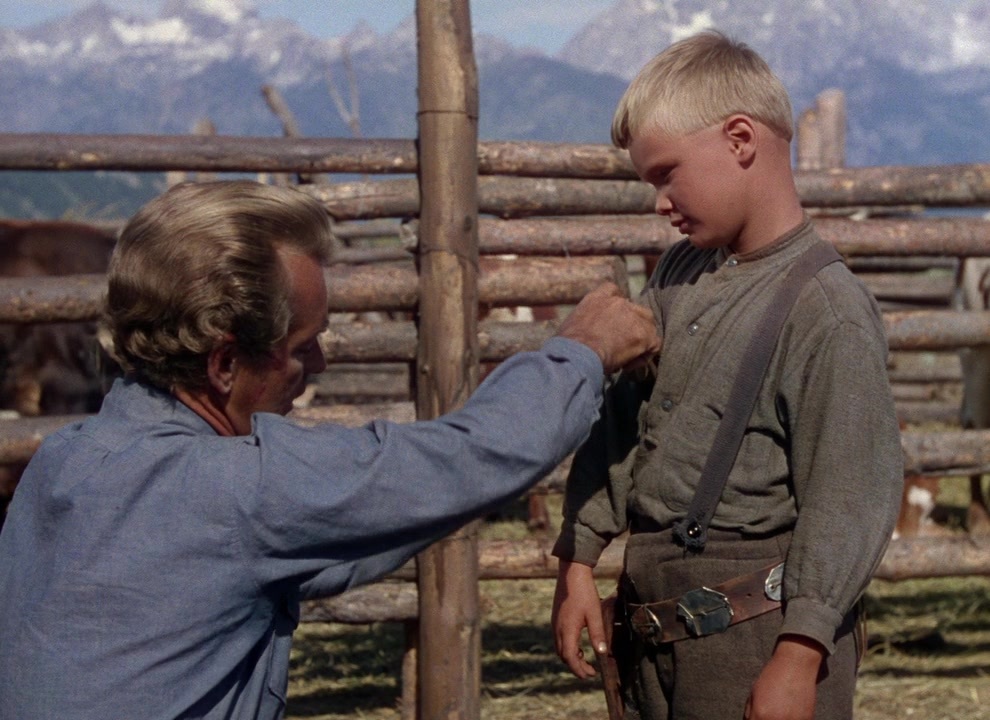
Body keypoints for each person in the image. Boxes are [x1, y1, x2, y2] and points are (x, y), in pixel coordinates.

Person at [0, 179, 659, 719]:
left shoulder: (63, 461)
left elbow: (363, 530)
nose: (318, 363)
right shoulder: (240, 489)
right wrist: (582, 349)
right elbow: (473, 457)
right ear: (225, 363)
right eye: (302, 345)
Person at [550, 31, 903, 720]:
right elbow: (623, 423)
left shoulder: (826, 310)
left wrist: (800, 655)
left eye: (666, 174)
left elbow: (850, 496)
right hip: (654, 632)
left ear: (740, 140)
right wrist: (579, 558)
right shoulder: (679, 272)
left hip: (759, 644)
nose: (659, 202)